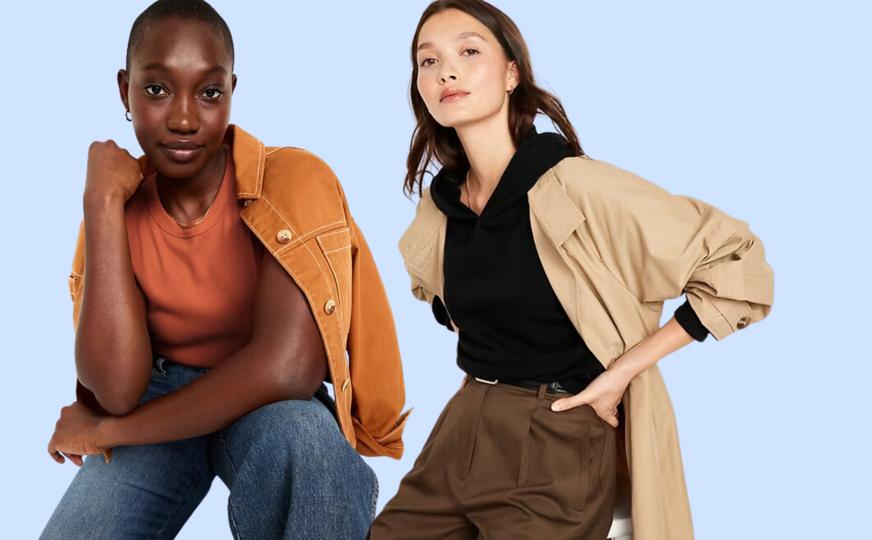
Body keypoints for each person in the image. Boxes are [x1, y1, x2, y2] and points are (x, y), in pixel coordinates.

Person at [369, 1, 774, 539]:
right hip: (461, 424)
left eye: (469, 51)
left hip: (555, 431)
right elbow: (439, 296)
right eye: (428, 60)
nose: (447, 71)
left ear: (512, 73)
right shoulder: (442, 206)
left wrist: (619, 375)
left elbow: (736, 260)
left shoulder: (576, 186)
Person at [40, 1, 411, 538]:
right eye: (157, 90)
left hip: (270, 403)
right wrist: (99, 205)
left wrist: (109, 430)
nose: (185, 118)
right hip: (156, 395)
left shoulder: (295, 181)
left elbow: (288, 368)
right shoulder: (117, 208)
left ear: (233, 91)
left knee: (311, 453)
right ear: (124, 90)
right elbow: (118, 389)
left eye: (209, 92)